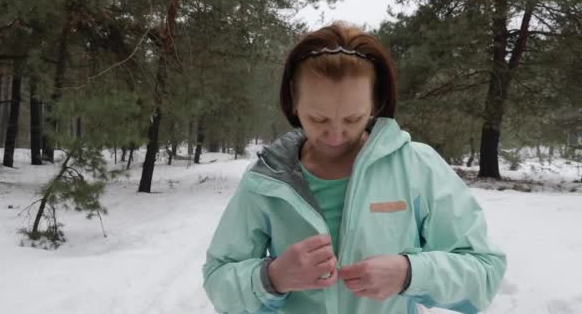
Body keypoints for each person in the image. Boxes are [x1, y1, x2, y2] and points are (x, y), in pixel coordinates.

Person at [202, 22, 506, 314]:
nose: (335, 137)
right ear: (294, 99)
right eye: (318, 119)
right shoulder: (268, 179)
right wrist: (274, 278)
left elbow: (484, 273)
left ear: (375, 103)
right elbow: (218, 281)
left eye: (352, 119)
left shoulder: (416, 167)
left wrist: (409, 273)